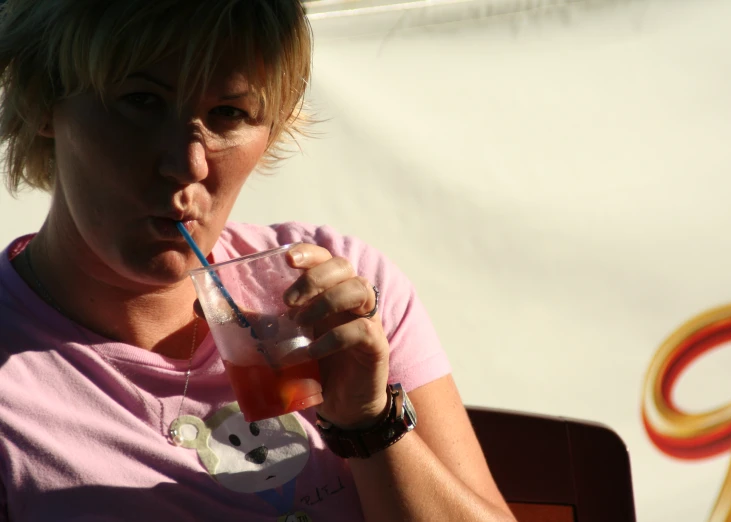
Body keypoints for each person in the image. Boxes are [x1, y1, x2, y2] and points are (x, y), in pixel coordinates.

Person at [0, 1, 515, 520]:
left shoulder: (340, 292)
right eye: (142, 100)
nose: (187, 163)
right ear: (40, 99)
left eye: (229, 113)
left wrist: (370, 425)